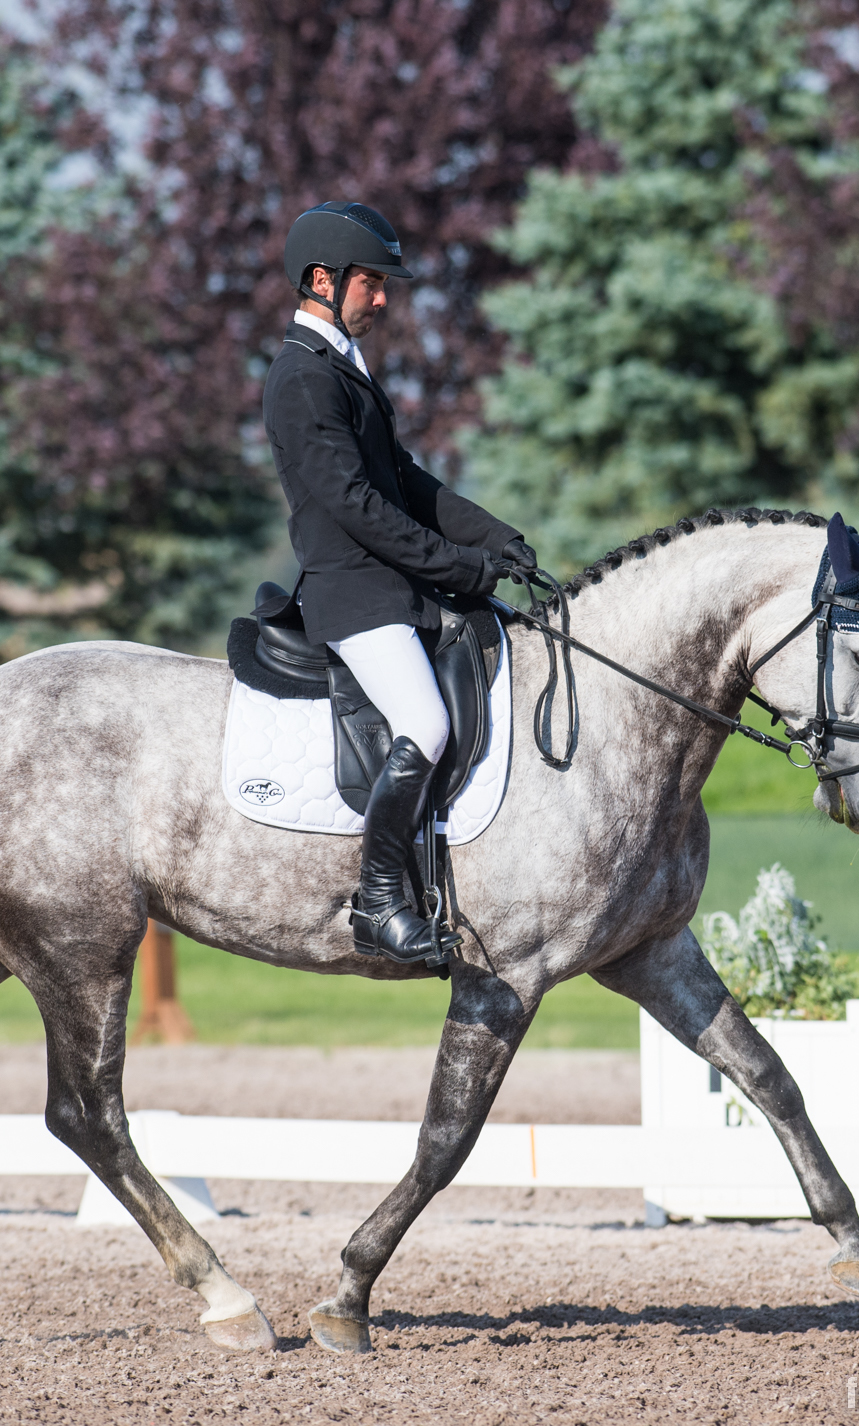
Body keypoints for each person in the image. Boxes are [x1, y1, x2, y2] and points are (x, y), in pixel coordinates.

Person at [262, 201, 536, 964]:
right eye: (372, 284)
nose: (383, 299)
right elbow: (357, 508)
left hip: (391, 589)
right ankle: (379, 902)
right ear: (324, 279)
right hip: (353, 592)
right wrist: (461, 567)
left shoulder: (341, 369)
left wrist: (494, 537)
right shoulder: (300, 379)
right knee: (427, 722)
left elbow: (404, 481)